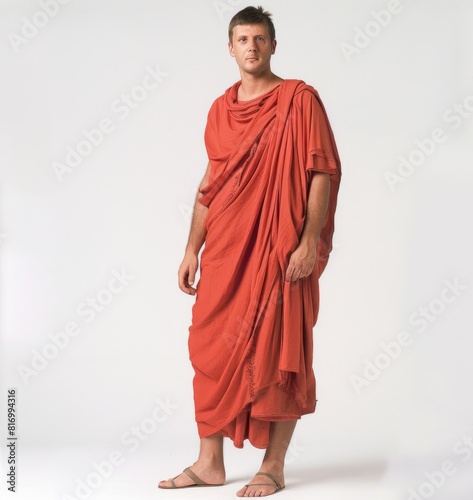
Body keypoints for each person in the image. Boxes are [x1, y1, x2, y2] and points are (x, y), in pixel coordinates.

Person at [158, 5, 341, 497]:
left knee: (279, 351)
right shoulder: (221, 109)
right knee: (210, 345)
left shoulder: (299, 100)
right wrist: (191, 247)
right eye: (243, 39)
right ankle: (208, 464)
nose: (252, 47)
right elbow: (211, 181)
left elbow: (320, 171)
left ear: (274, 45)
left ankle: (273, 466)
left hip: (279, 253)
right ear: (231, 47)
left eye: (260, 39)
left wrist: (307, 241)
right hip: (226, 250)